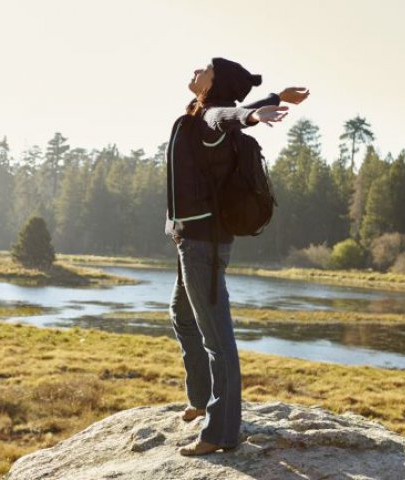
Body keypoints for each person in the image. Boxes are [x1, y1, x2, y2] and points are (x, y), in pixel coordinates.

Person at [165, 57, 309, 456]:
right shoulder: (200, 116)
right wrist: (277, 97)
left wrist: (249, 116)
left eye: (205, 68)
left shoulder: (211, 119)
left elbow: (226, 114)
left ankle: (221, 434)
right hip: (189, 240)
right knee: (181, 316)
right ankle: (200, 400)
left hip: (202, 244)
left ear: (214, 84)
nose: (195, 69)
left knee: (217, 339)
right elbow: (230, 108)